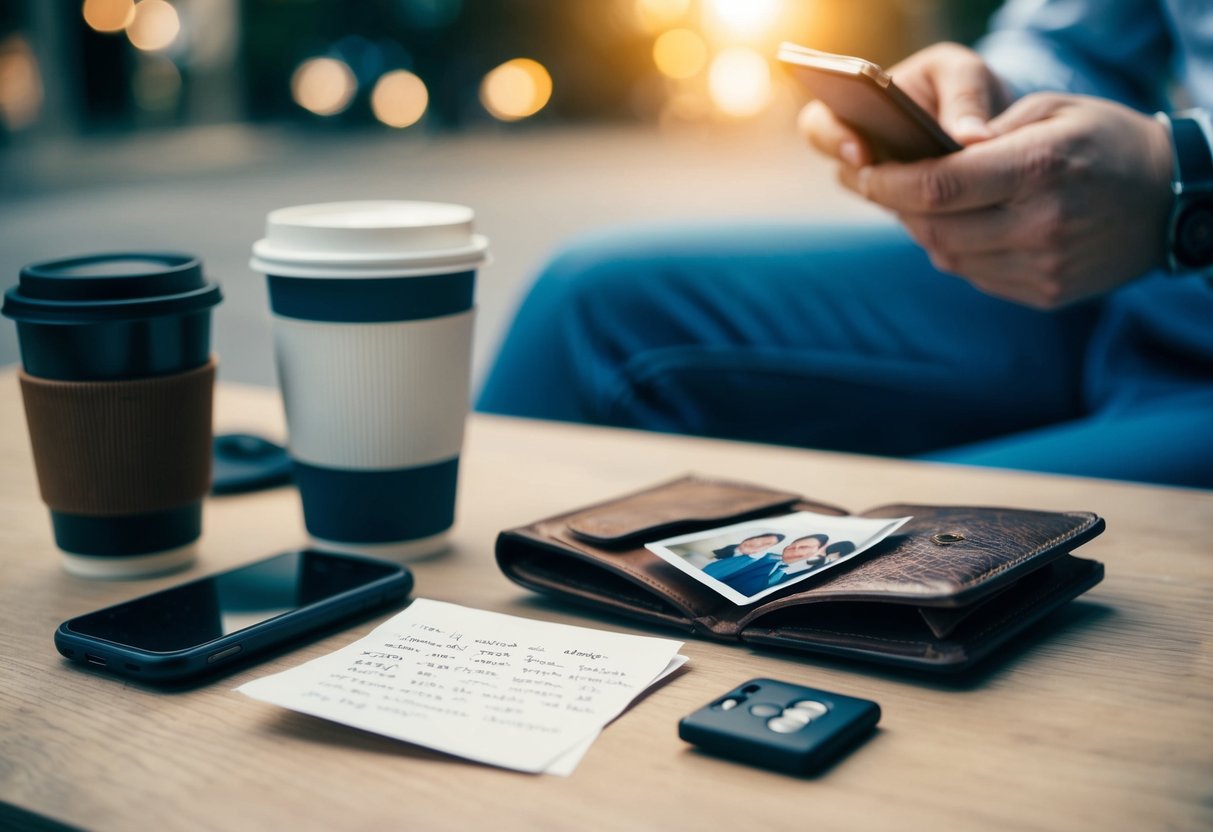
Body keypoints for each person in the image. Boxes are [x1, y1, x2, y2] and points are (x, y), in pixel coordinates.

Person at [477, 0, 1213, 489]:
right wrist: (984, 99)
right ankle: (435, 667)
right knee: (592, 307)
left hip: (1177, 295)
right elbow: (1071, 41)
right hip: (1128, 281)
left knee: (879, 546)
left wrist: (1186, 179)